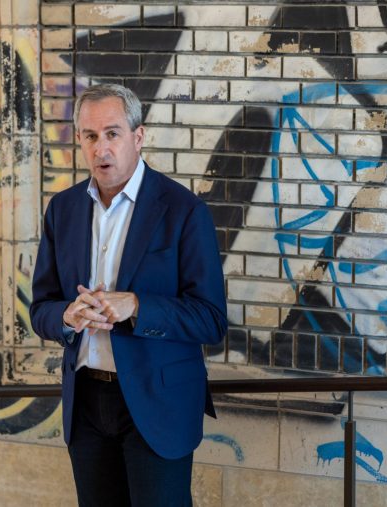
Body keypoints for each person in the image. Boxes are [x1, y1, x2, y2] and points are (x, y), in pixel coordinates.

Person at [29, 83, 227, 506]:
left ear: (138, 137)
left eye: (113, 133)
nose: (102, 148)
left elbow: (210, 319)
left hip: (158, 404)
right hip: (85, 404)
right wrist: (67, 315)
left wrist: (136, 305)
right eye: (90, 136)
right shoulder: (61, 210)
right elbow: (40, 309)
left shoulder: (184, 210)